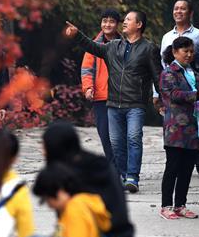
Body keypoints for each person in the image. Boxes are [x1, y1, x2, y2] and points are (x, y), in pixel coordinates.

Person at [65, 11, 161, 193]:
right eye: (123, 20)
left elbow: (158, 77)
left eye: (127, 20)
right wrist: (77, 34)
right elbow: (91, 47)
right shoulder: (113, 46)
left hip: (135, 103)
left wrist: (162, 99)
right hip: (113, 104)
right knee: (115, 142)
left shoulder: (149, 48)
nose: (123, 23)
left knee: (133, 139)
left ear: (139, 25)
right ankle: (124, 176)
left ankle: (132, 176)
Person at [158, 37, 199, 220]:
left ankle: (180, 205)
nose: (189, 55)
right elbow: (174, 95)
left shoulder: (194, 73)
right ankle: (166, 205)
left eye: (191, 51)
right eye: (185, 51)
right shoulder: (168, 73)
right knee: (172, 168)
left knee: (187, 169)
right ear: (175, 52)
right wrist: (198, 94)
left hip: (193, 128)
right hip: (175, 129)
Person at [154, 0, 199, 113]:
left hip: (194, 86)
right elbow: (161, 64)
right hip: (171, 88)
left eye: (183, 8)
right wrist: (156, 93)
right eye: (176, 8)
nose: (178, 11)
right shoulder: (167, 37)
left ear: (190, 13)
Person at [80, 9, 120, 166]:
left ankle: (121, 168)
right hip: (101, 98)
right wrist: (88, 88)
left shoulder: (125, 44)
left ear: (117, 24)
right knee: (105, 135)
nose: (107, 24)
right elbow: (86, 69)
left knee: (120, 136)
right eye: (104, 21)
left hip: (121, 97)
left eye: (111, 21)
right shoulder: (93, 45)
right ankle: (114, 168)